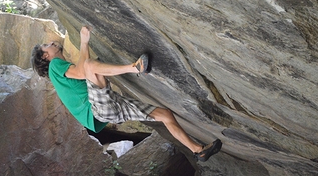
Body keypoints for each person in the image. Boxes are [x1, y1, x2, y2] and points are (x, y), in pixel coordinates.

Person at [31, 26, 222, 162]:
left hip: (108, 107)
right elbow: (84, 70)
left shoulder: (61, 71)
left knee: (164, 115)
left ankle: (199, 151)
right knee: (89, 65)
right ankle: (134, 67)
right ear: (45, 56)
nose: (52, 43)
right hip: (98, 107)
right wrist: (84, 42)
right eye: (46, 45)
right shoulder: (55, 66)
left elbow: (84, 72)